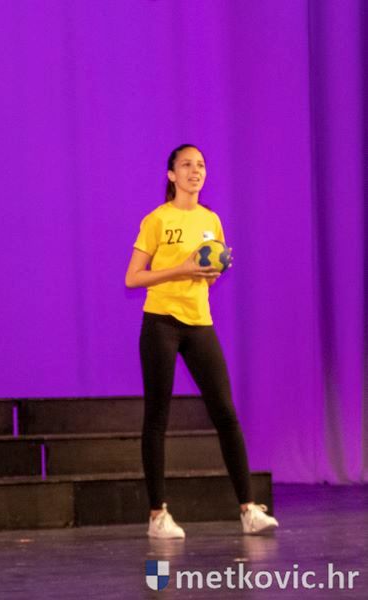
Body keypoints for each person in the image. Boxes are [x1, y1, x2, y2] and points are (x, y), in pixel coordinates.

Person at [124, 144, 279, 539]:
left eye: (201, 165)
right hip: (161, 323)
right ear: (171, 175)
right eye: (187, 165)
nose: (195, 171)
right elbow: (133, 277)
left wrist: (212, 271)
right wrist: (182, 268)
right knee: (157, 416)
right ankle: (157, 515)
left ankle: (248, 509)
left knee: (225, 412)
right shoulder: (157, 220)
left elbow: (208, 272)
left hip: (199, 324)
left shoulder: (211, 220)